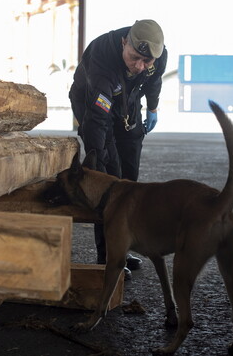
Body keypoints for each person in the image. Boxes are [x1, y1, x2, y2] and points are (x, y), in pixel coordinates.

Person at [69, 19, 167, 279]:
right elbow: (96, 122)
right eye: (134, 58)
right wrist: (98, 166)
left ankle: (121, 249)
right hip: (94, 107)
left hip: (127, 106)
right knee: (110, 184)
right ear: (125, 42)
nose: (139, 66)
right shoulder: (101, 60)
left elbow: (154, 82)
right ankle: (107, 259)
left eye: (146, 62)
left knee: (129, 182)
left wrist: (153, 109)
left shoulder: (157, 57)